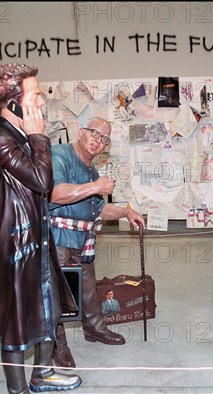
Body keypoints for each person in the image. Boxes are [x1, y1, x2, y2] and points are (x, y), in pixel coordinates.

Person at [0, 63, 81, 394]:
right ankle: (18, 389)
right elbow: (42, 180)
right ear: (13, 103)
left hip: (38, 237)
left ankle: (43, 373)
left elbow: (43, 184)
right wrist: (39, 136)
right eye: (35, 96)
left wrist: (36, 137)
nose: (41, 102)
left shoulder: (21, 137)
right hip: (16, 244)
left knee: (47, 306)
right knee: (16, 317)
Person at [49, 117, 145, 362]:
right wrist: (94, 186)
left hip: (82, 239)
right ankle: (56, 343)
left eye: (105, 138)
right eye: (95, 133)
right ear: (81, 132)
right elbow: (55, 194)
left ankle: (93, 327)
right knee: (57, 292)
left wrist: (125, 212)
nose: (98, 140)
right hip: (58, 236)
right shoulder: (59, 154)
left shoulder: (91, 170)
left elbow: (98, 209)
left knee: (88, 288)